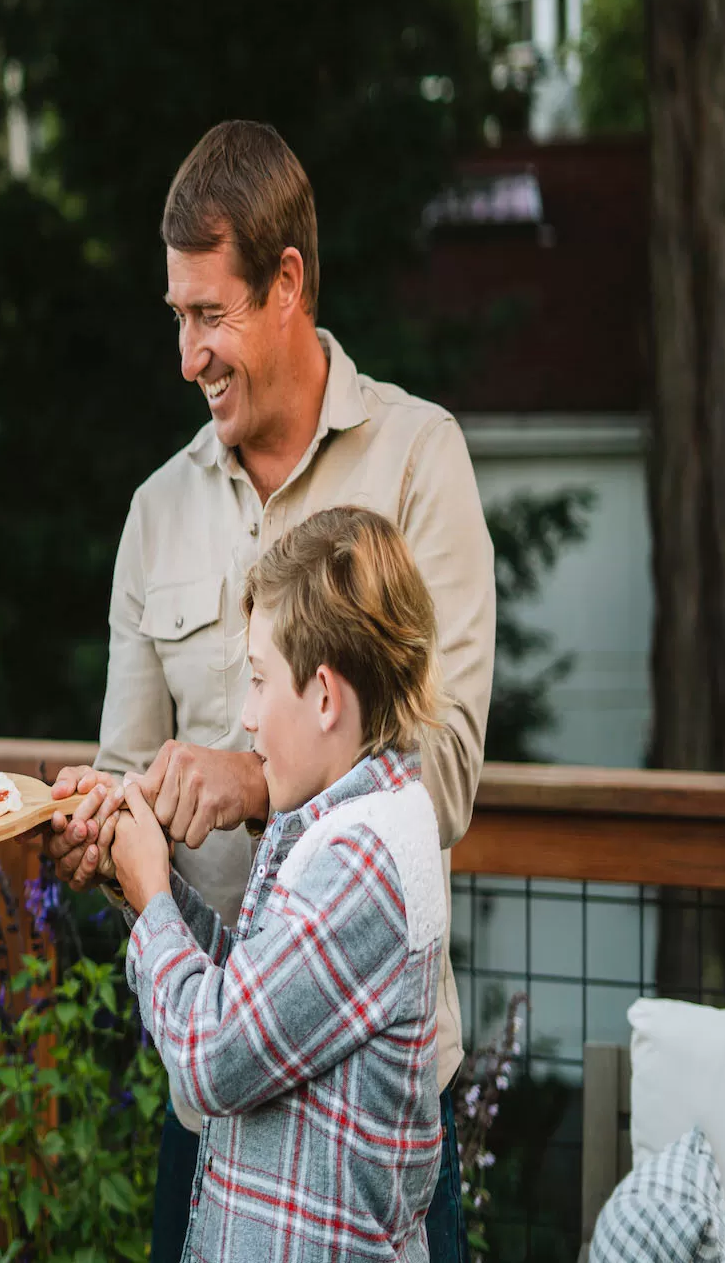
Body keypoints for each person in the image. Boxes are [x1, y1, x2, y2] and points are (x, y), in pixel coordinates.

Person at [44, 120, 494, 1263]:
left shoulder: (419, 460)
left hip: (370, 1129)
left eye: (210, 316)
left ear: (285, 283)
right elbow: (124, 770)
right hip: (215, 1110)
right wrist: (98, 836)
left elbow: (440, 776)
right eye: (177, 317)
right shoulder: (157, 513)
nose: (187, 355)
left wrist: (250, 784)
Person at [111, 506, 448, 1262]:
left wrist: (154, 898)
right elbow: (253, 989)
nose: (248, 717)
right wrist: (131, 876)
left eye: (260, 680)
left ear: (326, 697)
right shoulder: (352, 821)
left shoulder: (364, 861)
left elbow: (211, 1054)